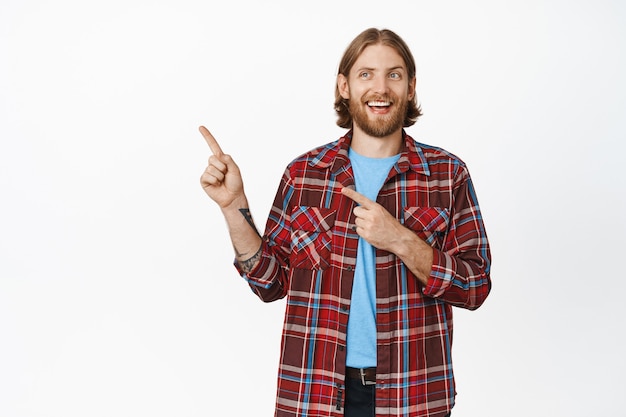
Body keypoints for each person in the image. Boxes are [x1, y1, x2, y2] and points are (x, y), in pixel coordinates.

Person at [199, 27, 491, 417]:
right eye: (366, 74)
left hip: (414, 394)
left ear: (411, 87)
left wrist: (402, 240)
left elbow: (475, 286)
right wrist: (234, 205)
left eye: (394, 74)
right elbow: (269, 282)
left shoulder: (446, 175)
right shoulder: (305, 175)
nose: (380, 88)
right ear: (344, 86)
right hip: (315, 392)